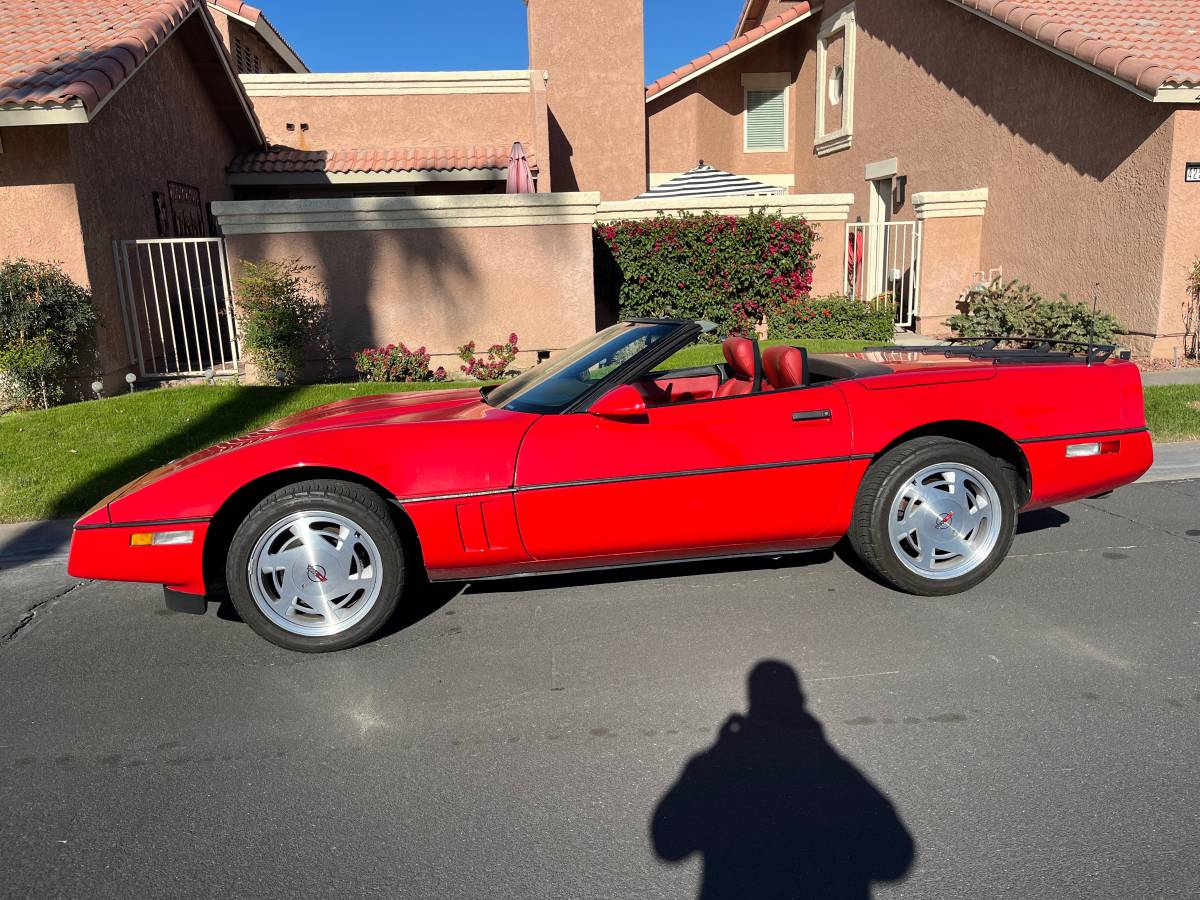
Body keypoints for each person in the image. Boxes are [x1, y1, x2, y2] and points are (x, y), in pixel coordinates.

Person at [651, 660, 915, 899]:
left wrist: (716, 756)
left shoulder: (720, 771)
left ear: (752, 706)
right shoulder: (833, 774)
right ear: (800, 701)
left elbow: (668, 844)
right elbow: (896, 858)